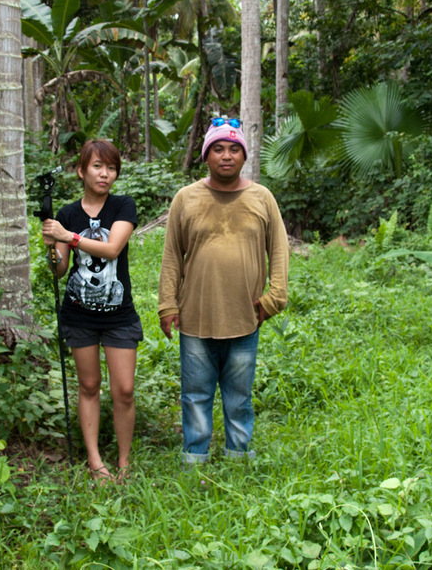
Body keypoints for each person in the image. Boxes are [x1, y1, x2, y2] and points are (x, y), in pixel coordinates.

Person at [158, 117, 289, 465]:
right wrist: (167, 305)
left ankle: (239, 458)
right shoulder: (186, 199)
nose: (226, 156)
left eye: (234, 149)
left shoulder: (262, 198)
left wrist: (274, 299)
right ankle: (194, 458)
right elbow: (172, 254)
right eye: (218, 149)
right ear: (206, 156)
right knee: (196, 395)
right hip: (196, 316)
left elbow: (279, 250)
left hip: (246, 316)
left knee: (239, 397)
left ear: (244, 156)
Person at [42, 139, 142, 484]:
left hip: (118, 314)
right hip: (79, 313)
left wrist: (66, 236)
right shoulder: (68, 214)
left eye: (111, 167)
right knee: (88, 385)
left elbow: (113, 248)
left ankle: (125, 461)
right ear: (82, 170)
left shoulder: (122, 206)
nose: (105, 174)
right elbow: (59, 271)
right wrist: (53, 250)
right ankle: (95, 461)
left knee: (124, 389)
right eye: (97, 166)